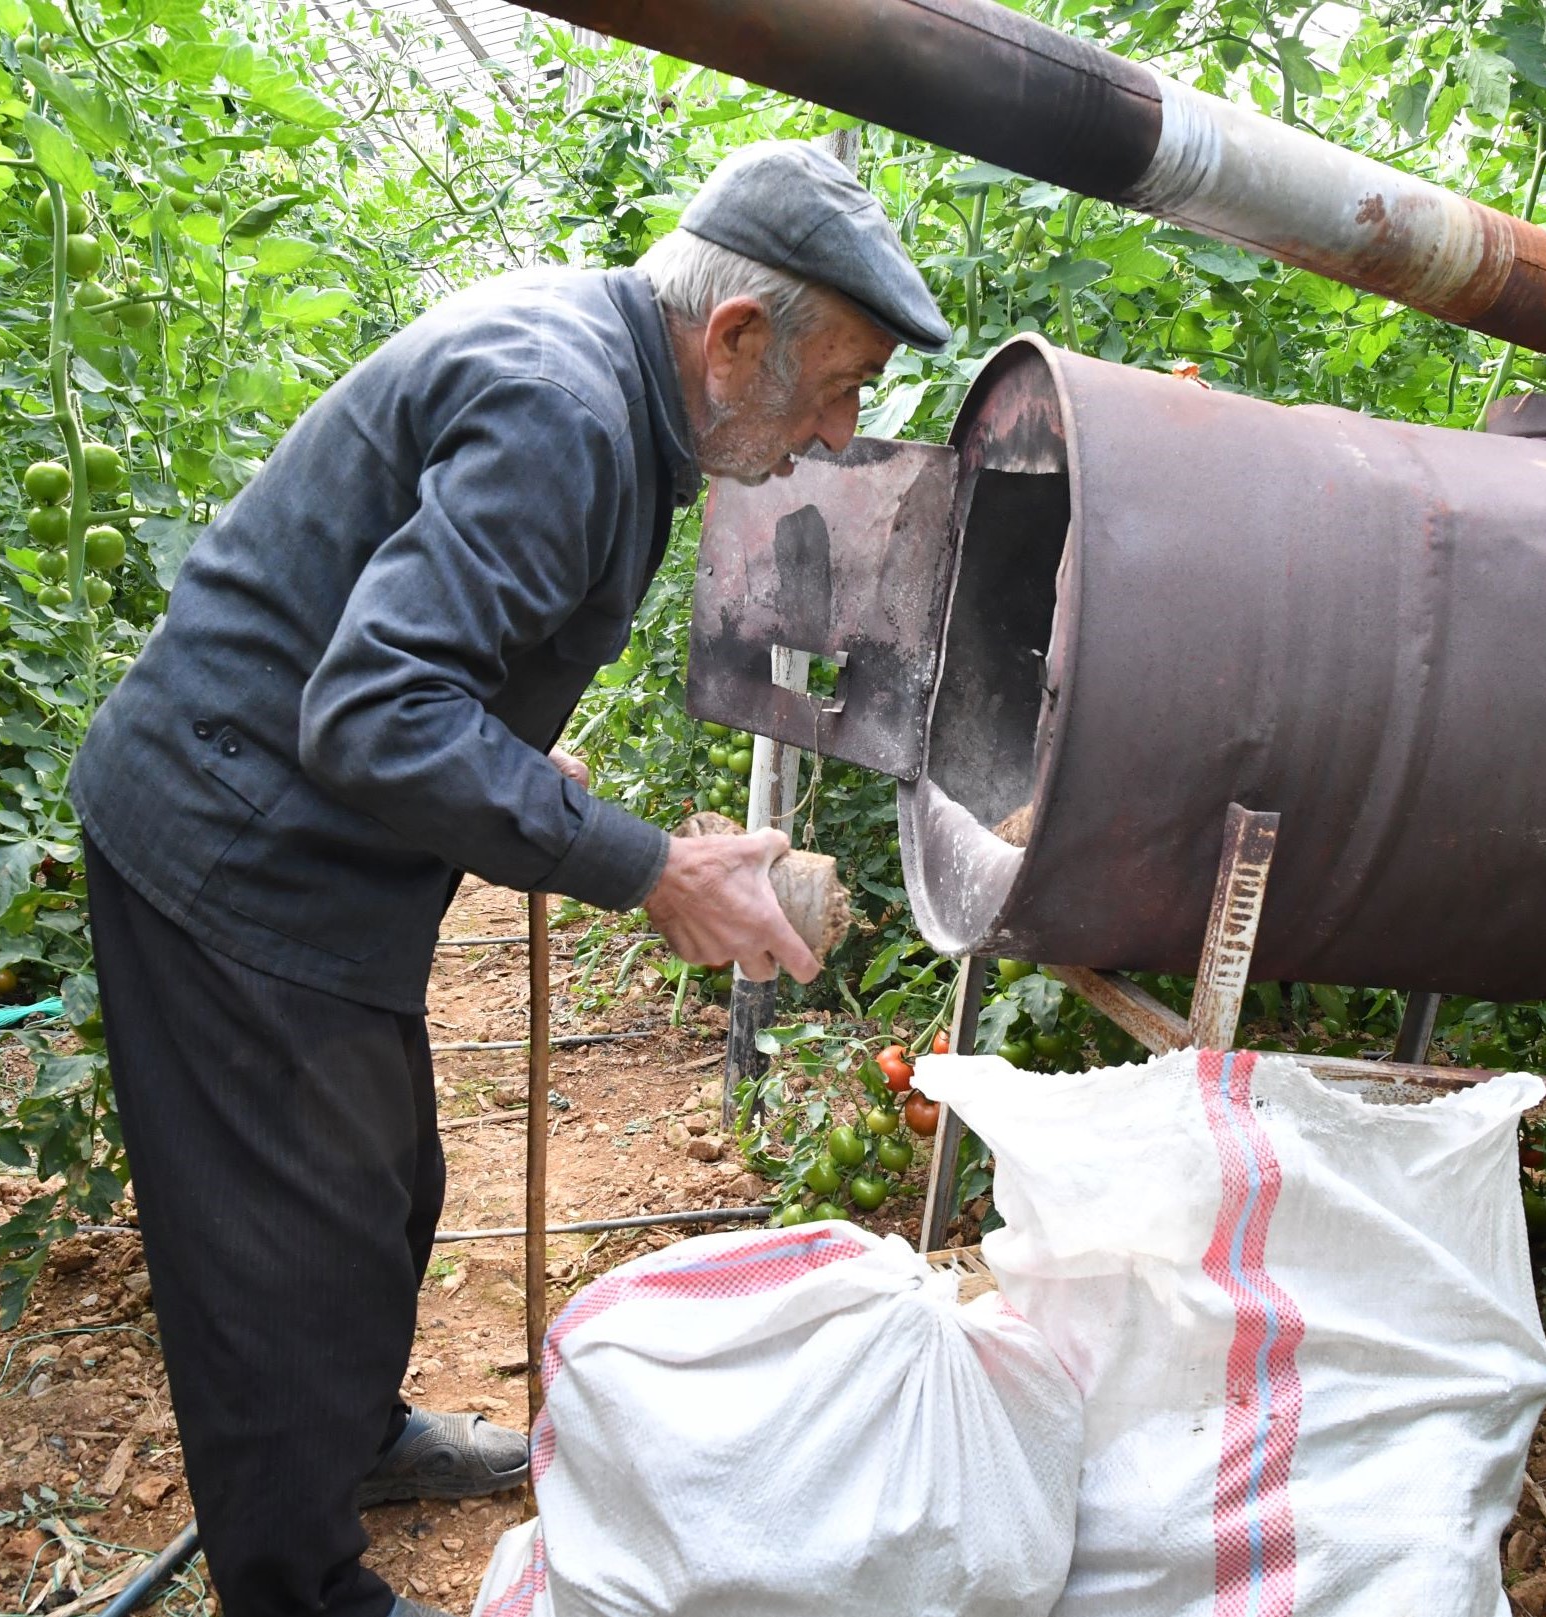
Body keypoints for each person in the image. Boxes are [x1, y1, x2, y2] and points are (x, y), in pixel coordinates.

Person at [67, 140, 950, 1617]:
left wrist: (529, 781)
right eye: (841, 385)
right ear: (736, 338)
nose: (836, 432)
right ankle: (299, 1588)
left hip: (309, 838)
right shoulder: (561, 408)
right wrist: (650, 870)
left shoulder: (597, 374)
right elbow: (370, 714)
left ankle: (360, 1438)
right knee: (285, 1254)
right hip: (230, 847)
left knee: (388, 1184)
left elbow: (405, 672)